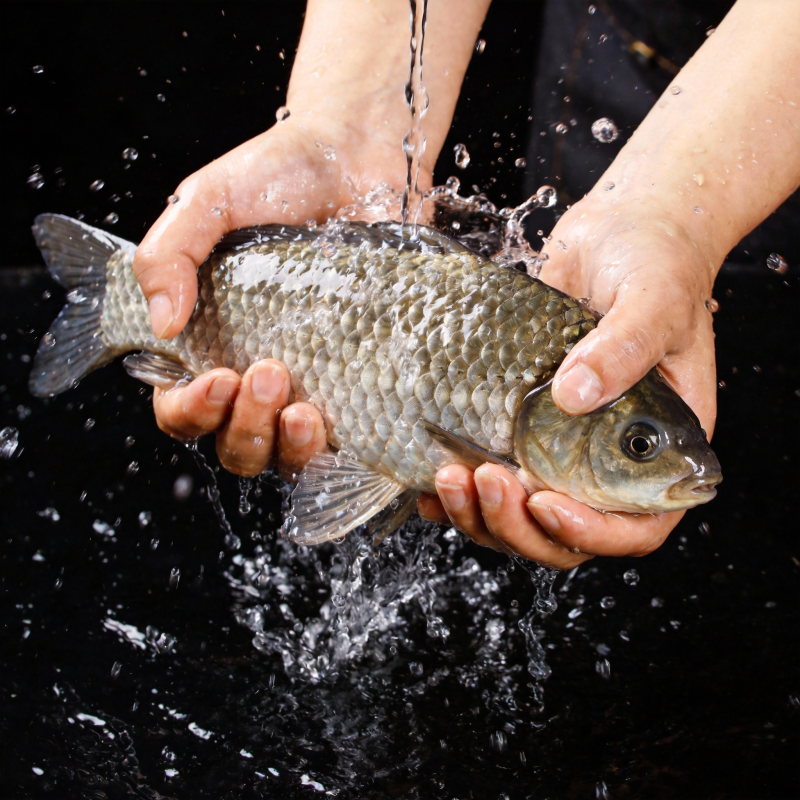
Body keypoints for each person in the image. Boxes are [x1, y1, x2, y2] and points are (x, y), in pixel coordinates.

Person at [132, 0, 800, 570]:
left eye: (639, 444)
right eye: (640, 444)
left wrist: (674, 219)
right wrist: (346, 129)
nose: (654, 453)